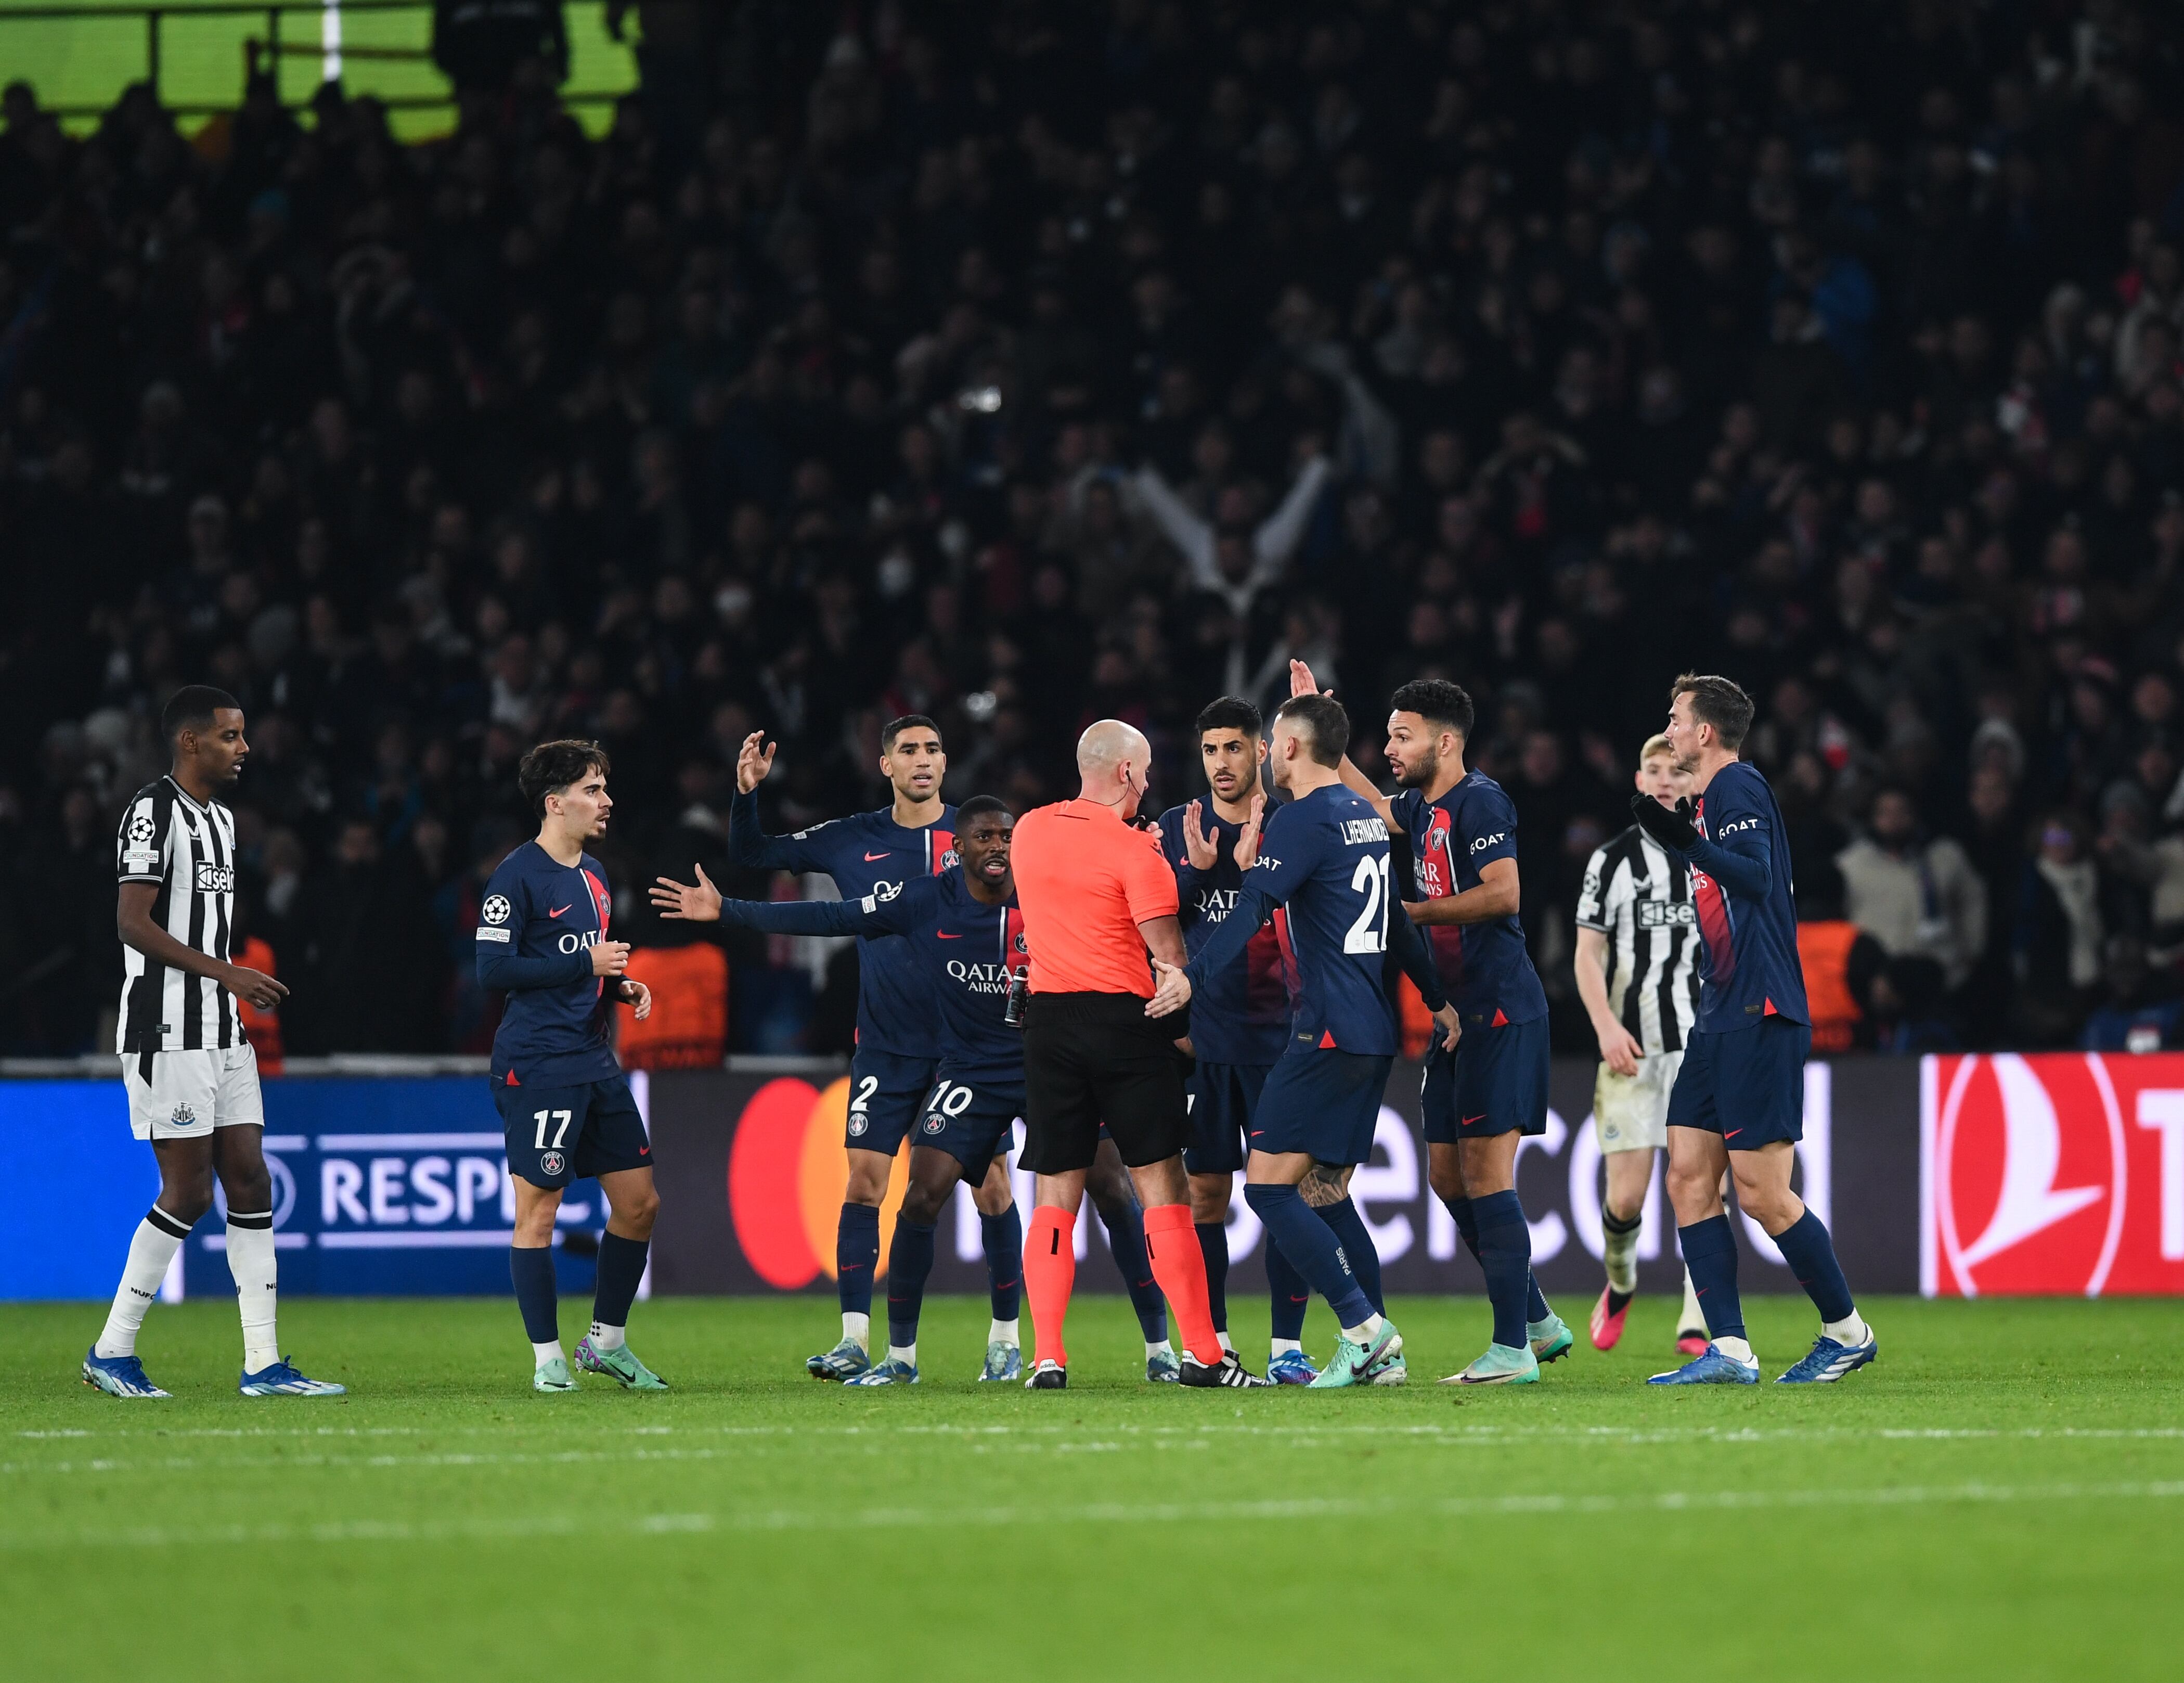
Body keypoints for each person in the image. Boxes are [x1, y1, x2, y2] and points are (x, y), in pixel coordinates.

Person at [654, 796, 1175, 1381]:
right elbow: (834, 917)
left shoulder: (1049, 892)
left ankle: (1159, 1349)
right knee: (922, 1193)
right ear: (959, 849)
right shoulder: (926, 899)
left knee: (1109, 1186)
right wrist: (727, 909)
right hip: (970, 1070)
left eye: (1007, 836)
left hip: (1047, 1062)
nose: (998, 846)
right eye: (983, 837)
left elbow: (1128, 908)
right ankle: (900, 1357)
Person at [1147, 693, 1460, 1389]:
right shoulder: (1360, 816)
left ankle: (1365, 1330)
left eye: (1265, 744)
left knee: (1267, 1189)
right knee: (1321, 1190)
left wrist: (1192, 976)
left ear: (1285, 747)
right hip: (1371, 1031)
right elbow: (1398, 927)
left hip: (1321, 1031)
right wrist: (1435, 997)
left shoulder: (1302, 819)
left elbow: (1251, 906)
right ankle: (1380, 1350)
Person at [1290, 662, 1572, 1385]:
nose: (1390, 748)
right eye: (1386, 735)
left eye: (1401, 736)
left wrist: (1410, 912)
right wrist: (1316, 725)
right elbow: (1369, 805)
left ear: (1444, 743)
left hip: (1501, 1010)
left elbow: (1503, 893)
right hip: (1455, 1018)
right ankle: (1537, 1318)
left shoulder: (1481, 801)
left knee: (1484, 1175)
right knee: (1446, 1178)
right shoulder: (1419, 808)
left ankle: (1511, 1349)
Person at [84, 685, 344, 1400]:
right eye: (230, 735)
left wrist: (226, 985)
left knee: (252, 1179)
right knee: (190, 1190)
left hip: (223, 1030)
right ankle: (112, 1348)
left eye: (243, 735)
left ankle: (263, 1362)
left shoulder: (224, 821)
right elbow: (132, 922)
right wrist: (227, 970)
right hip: (165, 1030)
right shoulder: (151, 811)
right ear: (189, 741)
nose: (244, 747)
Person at [1632, 675, 1876, 1385]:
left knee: (1762, 1192)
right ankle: (1730, 1349)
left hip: (1758, 1010)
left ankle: (1846, 1330)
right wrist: (1682, 835)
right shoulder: (1711, 802)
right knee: (1684, 1177)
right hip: (1718, 1014)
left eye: (1675, 719)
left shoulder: (1736, 787)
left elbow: (1755, 876)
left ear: (1705, 731)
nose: (1670, 730)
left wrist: (1684, 839)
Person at [1009, 720, 1257, 1389]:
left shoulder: (1028, 829)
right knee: (1163, 1192)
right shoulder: (1136, 853)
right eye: (1143, 772)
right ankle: (1206, 1354)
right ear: (1125, 773)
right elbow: (1172, 963)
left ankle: (1048, 1356)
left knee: (1054, 1195)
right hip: (1127, 1021)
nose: (1147, 783)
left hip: (1049, 1023)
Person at [728, 717, 972, 1381]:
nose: (922, 760)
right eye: (907, 751)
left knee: (996, 1191)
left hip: (966, 1047)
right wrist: (747, 792)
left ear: (945, 762)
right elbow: (753, 854)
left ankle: (1006, 1340)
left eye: (932, 749)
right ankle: (852, 1340)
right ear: (885, 764)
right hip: (886, 1046)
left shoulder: (976, 836)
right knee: (864, 1182)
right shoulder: (849, 838)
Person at [476, 740, 665, 1394]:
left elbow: (583, 960)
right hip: (538, 1064)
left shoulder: (596, 874)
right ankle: (547, 1358)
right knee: (540, 1212)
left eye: (605, 787)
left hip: (593, 1060)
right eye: (592, 789)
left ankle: (606, 1343)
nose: (606, 800)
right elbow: (493, 970)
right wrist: (586, 967)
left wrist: (619, 986)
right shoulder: (516, 876)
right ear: (555, 804)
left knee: (639, 1205)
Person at [1156, 696, 1327, 1383]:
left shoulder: (1293, 821)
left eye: (1233, 748)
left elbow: (1323, 908)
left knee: (1288, 1191)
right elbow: (1153, 922)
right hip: (1207, 1043)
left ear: (1261, 750)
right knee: (1205, 1196)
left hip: (1285, 1039)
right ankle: (1214, 1342)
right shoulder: (1178, 826)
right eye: (1209, 750)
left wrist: (1262, 869)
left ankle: (1286, 1345)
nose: (1221, 763)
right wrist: (1197, 871)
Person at [1573, 734, 1709, 1355]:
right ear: (1637, 777)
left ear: (1689, 782)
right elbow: (1586, 952)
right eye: (1652, 769)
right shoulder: (1612, 860)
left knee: (1699, 1184)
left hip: (1698, 1046)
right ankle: (1620, 1281)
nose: (1663, 779)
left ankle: (1695, 1320)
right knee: (1624, 1198)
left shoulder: (1712, 856)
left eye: (1674, 771)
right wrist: (1604, 1025)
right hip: (1630, 1047)